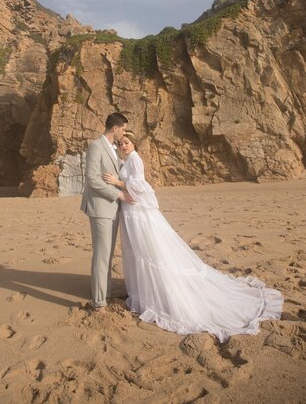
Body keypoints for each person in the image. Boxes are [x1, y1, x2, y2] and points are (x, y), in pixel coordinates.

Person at [102, 131, 284, 342]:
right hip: (131, 214)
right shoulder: (126, 161)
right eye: (121, 143)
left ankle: (162, 295)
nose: (124, 146)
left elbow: (141, 187)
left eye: (127, 142)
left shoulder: (135, 159)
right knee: (140, 253)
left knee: (150, 252)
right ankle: (146, 293)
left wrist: (118, 183)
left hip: (139, 215)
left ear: (134, 144)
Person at [81, 113, 135, 311]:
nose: (124, 133)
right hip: (101, 208)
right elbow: (92, 179)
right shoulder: (96, 146)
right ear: (115, 128)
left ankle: (107, 292)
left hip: (112, 209)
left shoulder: (113, 149)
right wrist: (118, 195)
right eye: (123, 129)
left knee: (108, 254)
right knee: (102, 255)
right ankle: (99, 302)